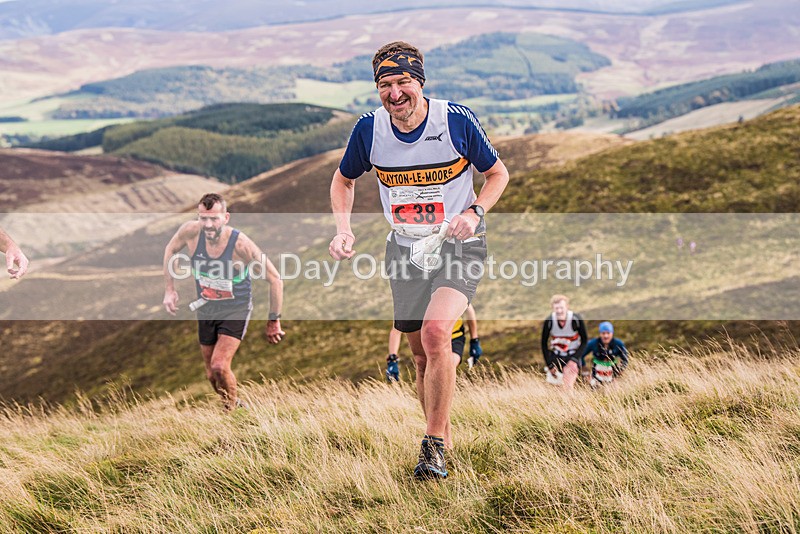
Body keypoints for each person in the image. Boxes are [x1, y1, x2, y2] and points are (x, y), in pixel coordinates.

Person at [329, 41, 509, 479]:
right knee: (421, 357)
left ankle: (432, 446)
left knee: (435, 333)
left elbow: (497, 173)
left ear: (420, 82)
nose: (395, 93)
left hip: (459, 242)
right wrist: (343, 228)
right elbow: (343, 179)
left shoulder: (455, 121)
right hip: (405, 248)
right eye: (385, 84)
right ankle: (443, 436)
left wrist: (474, 211)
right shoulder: (369, 131)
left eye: (403, 82)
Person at [163, 193, 285, 411]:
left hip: (235, 308)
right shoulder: (190, 233)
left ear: (226, 217)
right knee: (211, 373)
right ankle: (232, 404)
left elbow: (275, 279)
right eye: (203, 218)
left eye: (214, 219)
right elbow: (170, 250)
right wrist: (169, 290)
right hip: (207, 307)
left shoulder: (240, 244)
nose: (208, 225)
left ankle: (231, 412)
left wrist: (273, 320)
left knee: (220, 366)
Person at [385, 303, 483, 381]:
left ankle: (443, 401)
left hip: (454, 337)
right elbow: (396, 330)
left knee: (447, 367)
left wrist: (474, 340)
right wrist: (392, 359)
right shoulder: (415, 295)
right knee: (425, 369)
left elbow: (469, 310)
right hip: (429, 339)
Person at [541, 294, 588, 390]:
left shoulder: (576, 320)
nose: (559, 311)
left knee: (568, 386)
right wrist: (549, 364)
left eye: (561, 308)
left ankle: (570, 400)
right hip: (556, 356)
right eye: (556, 308)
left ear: (567, 306)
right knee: (555, 389)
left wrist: (574, 359)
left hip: (572, 355)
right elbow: (543, 344)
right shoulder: (549, 321)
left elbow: (584, 340)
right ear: (553, 308)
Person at [583, 321, 629, 387]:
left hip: (612, 376)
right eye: (603, 333)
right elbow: (581, 355)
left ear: (612, 333)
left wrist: (619, 371)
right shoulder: (593, 343)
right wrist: (585, 372)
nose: (606, 336)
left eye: (608, 333)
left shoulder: (618, 344)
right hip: (596, 376)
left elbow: (625, 359)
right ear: (600, 334)